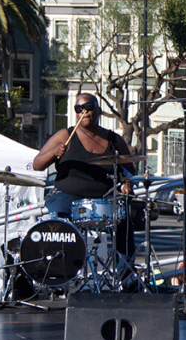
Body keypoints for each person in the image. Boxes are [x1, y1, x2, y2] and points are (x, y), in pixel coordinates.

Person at [33, 93, 136, 256]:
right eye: (79, 108)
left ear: (98, 110)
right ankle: (65, 264)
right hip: (66, 196)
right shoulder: (66, 135)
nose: (84, 111)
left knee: (123, 219)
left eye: (88, 107)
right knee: (61, 222)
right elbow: (37, 164)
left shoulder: (114, 139)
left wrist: (127, 183)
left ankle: (125, 267)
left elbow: (129, 169)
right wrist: (53, 152)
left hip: (104, 198)